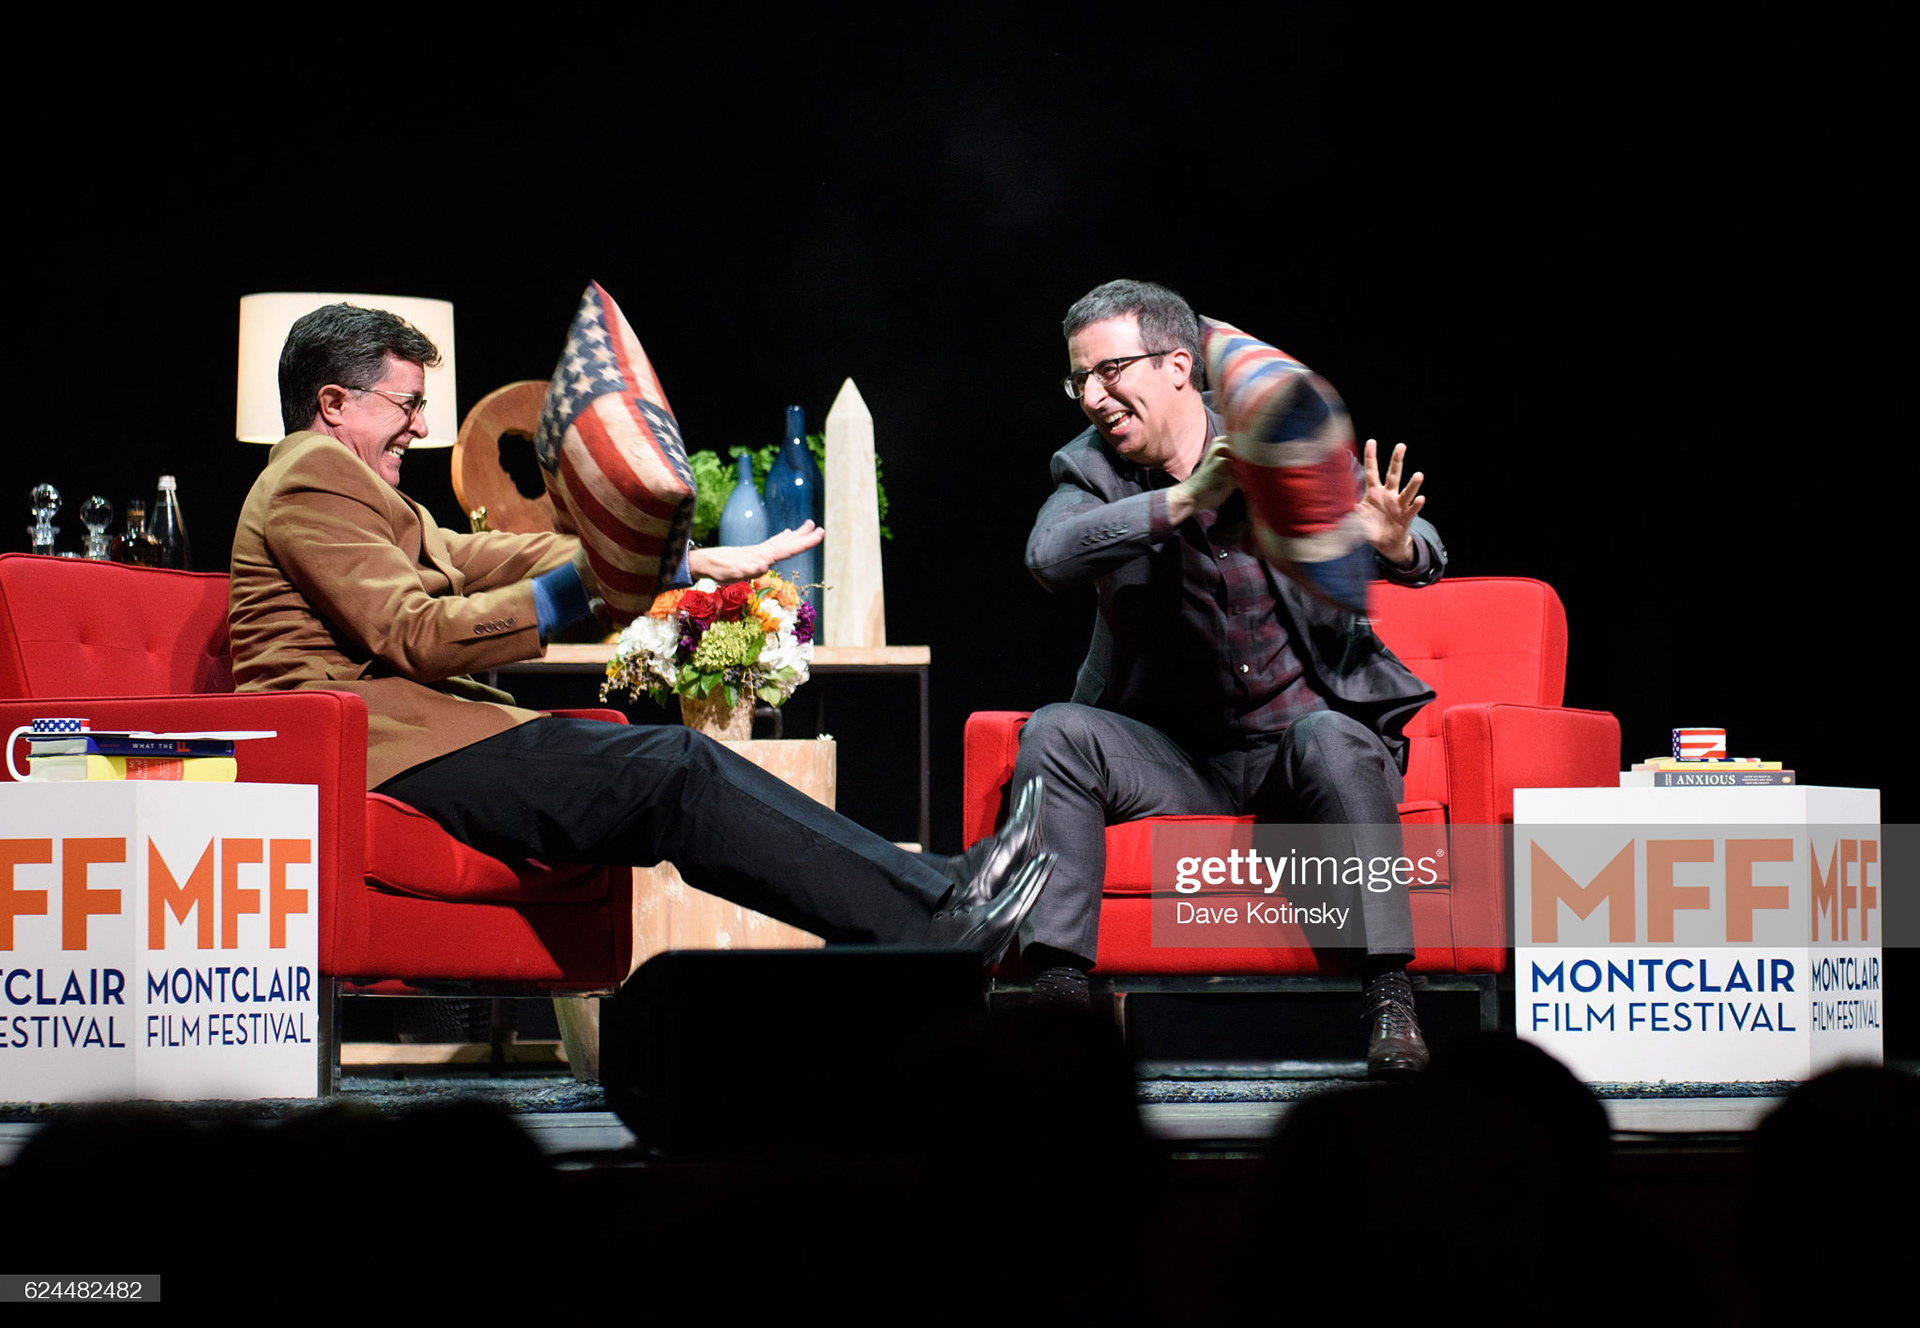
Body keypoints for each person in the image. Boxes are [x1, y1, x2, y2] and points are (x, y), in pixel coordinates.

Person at [227, 302, 1049, 960]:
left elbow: (481, 554)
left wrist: (673, 560)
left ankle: (935, 902)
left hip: (426, 742)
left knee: (679, 767)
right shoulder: (311, 475)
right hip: (380, 753)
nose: (417, 426)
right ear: (333, 402)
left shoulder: (362, 488)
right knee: (678, 769)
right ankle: (932, 914)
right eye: (407, 404)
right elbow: (412, 633)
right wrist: (594, 583)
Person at [1011, 279, 1445, 1076]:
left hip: (1301, 751)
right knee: (1057, 731)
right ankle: (1060, 1004)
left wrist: (1393, 546)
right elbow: (1049, 557)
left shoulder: (1276, 433)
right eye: (1079, 380)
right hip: (1181, 762)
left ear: (1178, 366)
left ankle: (1390, 997)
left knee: (1333, 738)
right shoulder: (1090, 470)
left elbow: (1423, 553)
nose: (1093, 397)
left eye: (1110, 372)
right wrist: (1184, 500)